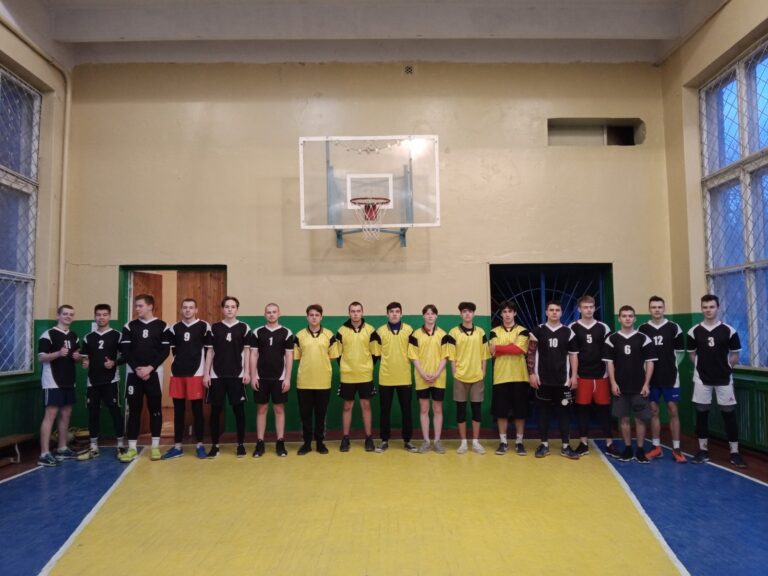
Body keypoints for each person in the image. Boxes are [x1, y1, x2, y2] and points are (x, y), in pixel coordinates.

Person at [687, 294, 746, 468]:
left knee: (729, 413)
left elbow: (735, 355)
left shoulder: (729, 331)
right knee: (701, 413)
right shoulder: (694, 331)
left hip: (724, 378)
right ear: (701, 308)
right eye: (705, 307)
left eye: (711, 307)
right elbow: (692, 354)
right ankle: (702, 450)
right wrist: (701, 368)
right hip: (702, 378)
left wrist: (726, 368)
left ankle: (734, 452)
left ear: (718, 308)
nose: (708, 310)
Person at [119, 294, 170, 463]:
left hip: (154, 374)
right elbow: (126, 352)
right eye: (136, 306)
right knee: (134, 411)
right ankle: (132, 448)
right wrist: (137, 369)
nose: (137, 308)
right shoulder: (129, 326)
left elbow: (164, 351)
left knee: (155, 410)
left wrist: (150, 368)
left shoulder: (163, 326)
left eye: (140, 305)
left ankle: (155, 447)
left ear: (150, 306)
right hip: (133, 374)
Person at [527, 300, 580, 460]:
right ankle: (544, 445)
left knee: (564, 413)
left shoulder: (568, 332)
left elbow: (573, 355)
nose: (554, 312)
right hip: (542, 381)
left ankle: (565, 446)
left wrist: (574, 376)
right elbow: (530, 353)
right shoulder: (537, 331)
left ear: (561, 313)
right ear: (546, 312)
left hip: (563, 382)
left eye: (557, 310)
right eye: (551, 310)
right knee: (543, 413)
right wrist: (531, 374)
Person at [603, 305, 656, 463]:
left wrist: (646, 384)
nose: (627, 318)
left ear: (635, 318)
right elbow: (609, 363)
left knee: (640, 419)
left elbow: (650, 362)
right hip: (620, 387)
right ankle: (627, 448)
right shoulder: (612, 339)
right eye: (624, 316)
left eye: (630, 316)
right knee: (624, 419)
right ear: (619, 318)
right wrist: (613, 383)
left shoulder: (643, 338)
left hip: (639, 387)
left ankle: (640, 449)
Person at [638, 296, 686, 463]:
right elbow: (640, 354)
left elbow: (680, 353)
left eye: (659, 307)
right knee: (653, 410)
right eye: (654, 307)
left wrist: (671, 366)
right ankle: (656, 447)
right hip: (651, 378)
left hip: (670, 376)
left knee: (673, 410)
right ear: (649, 309)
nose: (657, 310)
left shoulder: (674, 327)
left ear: (664, 308)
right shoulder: (643, 328)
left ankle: (676, 448)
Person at [162, 298, 211, 460]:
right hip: (177, 374)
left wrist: (206, 373)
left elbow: (209, 351)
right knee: (178, 411)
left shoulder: (204, 326)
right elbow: (173, 351)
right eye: (185, 307)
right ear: (181, 310)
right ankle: (177, 447)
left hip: (196, 373)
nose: (188, 310)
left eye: (191, 307)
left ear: (196, 310)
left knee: (197, 411)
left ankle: (200, 445)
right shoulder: (174, 328)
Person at [568, 295, 616, 457]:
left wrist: (610, 376)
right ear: (579, 309)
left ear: (594, 308)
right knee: (582, 410)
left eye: (591, 307)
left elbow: (609, 353)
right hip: (582, 376)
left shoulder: (603, 327)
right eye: (585, 307)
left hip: (601, 375)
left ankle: (609, 443)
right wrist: (573, 375)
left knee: (604, 410)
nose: (588, 310)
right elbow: (571, 354)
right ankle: (583, 443)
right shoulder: (573, 327)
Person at [204, 296, 251, 458]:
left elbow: (247, 351)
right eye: (227, 307)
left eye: (233, 307)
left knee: (239, 411)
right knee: (215, 411)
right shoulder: (214, 328)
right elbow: (210, 351)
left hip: (237, 375)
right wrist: (206, 374)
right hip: (217, 375)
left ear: (237, 309)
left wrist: (247, 372)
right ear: (222, 309)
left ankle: (240, 445)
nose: (230, 309)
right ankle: (215, 446)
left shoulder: (244, 327)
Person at [78, 304, 126, 460]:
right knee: (93, 413)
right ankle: (93, 447)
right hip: (92, 381)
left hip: (111, 380)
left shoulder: (117, 335)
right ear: (95, 316)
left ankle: (120, 445)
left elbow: (125, 356)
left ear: (109, 316)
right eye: (98, 315)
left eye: (104, 314)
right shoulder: (88, 337)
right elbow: (85, 358)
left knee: (115, 412)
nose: (101, 317)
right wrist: (85, 362)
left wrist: (114, 363)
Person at [37, 305, 81, 466]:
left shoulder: (74, 336)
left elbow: (77, 358)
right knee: (51, 414)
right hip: (52, 380)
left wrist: (78, 357)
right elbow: (41, 358)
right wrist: (58, 353)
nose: (68, 316)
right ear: (58, 316)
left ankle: (62, 448)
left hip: (69, 379)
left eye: (71, 314)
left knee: (66, 413)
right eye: (65, 314)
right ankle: (44, 453)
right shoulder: (48, 334)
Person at [445, 302, 490, 454]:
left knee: (476, 410)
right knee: (461, 410)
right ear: (461, 314)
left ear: (473, 314)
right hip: (460, 376)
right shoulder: (453, 332)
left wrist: (483, 372)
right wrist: (454, 373)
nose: (467, 314)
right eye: (464, 311)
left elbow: (484, 354)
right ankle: (463, 443)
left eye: (470, 311)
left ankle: (476, 442)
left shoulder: (480, 332)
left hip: (477, 376)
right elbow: (451, 356)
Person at [294, 304, 339, 455]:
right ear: (307, 317)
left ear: (321, 317)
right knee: (305, 415)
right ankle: (306, 444)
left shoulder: (329, 335)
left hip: (323, 382)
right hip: (304, 382)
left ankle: (320, 443)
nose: (314, 318)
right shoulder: (299, 335)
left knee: (321, 414)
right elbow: (297, 357)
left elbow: (332, 356)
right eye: (311, 315)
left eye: (317, 315)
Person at [250, 303, 294, 458]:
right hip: (261, 378)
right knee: (261, 409)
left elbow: (289, 356)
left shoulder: (286, 332)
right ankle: (260, 442)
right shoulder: (257, 332)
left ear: (279, 313)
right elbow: (253, 355)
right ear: (264, 314)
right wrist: (253, 376)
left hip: (279, 378)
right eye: (268, 312)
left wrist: (287, 378)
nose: (271, 314)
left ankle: (280, 442)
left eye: (274, 312)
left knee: (279, 409)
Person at [336, 301, 378, 452]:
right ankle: (345, 438)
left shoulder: (370, 330)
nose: (355, 314)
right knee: (347, 405)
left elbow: (375, 353)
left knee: (366, 405)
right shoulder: (341, 331)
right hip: (347, 375)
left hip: (365, 375)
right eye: (353, 311)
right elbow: (337, 354)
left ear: (362, 312)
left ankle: (369, 438)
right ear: (349, 313)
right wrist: (346, 366)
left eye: (358, 311)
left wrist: (367, 366)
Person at [488, 300, 530, 456]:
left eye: (510, 311)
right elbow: (492, 351)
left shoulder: (523, 331)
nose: (507, 314)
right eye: (504, 312)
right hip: (501, 377)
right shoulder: (494, 331)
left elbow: (519, 349)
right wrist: (510, 346)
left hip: (520, 377)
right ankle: (503, 442)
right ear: (501, 314)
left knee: (520, 412)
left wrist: (500, 348)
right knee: (501, 412)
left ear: (515, 313)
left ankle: (519, 442)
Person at [374, 302, 416, 452]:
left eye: (397, 311)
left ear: (401, 314)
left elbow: (413, 352)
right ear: (387, 314)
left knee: (406, 410)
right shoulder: (380, 331)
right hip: (386, 377)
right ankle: (384, 440)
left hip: (404, 377)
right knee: (385, 410)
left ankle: (408, 440)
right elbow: (377, 353)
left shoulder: (409, 330)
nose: (394, 314)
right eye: (391, 311)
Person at [409, 304, 449, 453]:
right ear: (423, 316)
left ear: (436, 316)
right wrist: (422, 373)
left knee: (437, 408)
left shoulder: (443, 334)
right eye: (427, 313)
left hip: (439, 378)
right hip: (422, 378)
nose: (430, 316)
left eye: (432, 313)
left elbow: (445, 357)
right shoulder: (415, 335)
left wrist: (437, 373)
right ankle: (426, 441)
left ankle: (437, 441)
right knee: (424, 408)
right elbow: (413, 357)